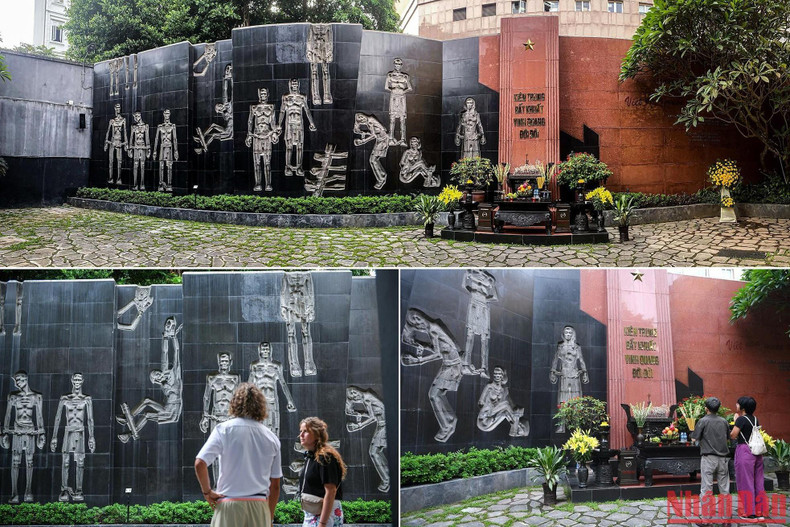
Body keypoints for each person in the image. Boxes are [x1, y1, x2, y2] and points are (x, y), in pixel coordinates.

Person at [195, 383, 281, 527]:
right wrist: (269, 518)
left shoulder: (223, 430)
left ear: (235, 403)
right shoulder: (271, 437)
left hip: (229, 504)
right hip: (259, 505)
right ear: (261, 406)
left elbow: (200, 463)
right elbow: (275, 486)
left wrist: (207, 492)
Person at [50, 372, 96, 502]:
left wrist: (91, 437)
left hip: (80, 431)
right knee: (65, 461)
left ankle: (79, 490)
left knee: (80, 462)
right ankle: (64, 489)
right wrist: (54, 437)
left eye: (79, 379)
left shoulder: (86, 399)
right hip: (68, 431)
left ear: (82, 381)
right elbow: (58, 417)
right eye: (75, 378)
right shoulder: (65, 398)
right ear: (72, 380)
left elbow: (90, 419)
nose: (77, 381)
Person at [298, 417, 346, 527]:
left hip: (325, 516)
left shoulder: (325, 457)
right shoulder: (310, 457)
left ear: (316, 434)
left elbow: (331, 491)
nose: (301, 435)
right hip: (312, 514)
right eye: (301, 431)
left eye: (305, 431)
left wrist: (322, 523)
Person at [690, 396, 730, 518]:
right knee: (725, 489)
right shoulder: (724, 421)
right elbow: (728, 437)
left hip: (708, 459)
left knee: (706, 489)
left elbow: (694, 438)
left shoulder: (703, 421)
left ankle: (707, 519)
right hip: (723, 459)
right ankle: (726, 519)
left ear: (706, 408)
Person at [730, 395, 768, 521]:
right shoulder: (755, 419)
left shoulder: (741, 419)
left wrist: (736, 421)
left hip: (745, 451)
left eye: (738, 404)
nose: (736, 405)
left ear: (743, 407)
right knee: (758, 481)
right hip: (757, 452)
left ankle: (748, 513)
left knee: (745, 481)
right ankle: (760, 511)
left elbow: (733, 435)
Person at [550, 325, 589, 431]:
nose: (568, 334)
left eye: (570, 333)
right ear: (563, 334)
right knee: (563, 400)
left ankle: (577, 424)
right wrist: (552, 372)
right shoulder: (560, 346)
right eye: (566, 333)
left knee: (576, 400)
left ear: (573, 334)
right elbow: (555, 360)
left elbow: (581, 360)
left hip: (575, 375)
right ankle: (562, 425)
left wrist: (585, 373)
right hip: (564, 375)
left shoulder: (576, 347)